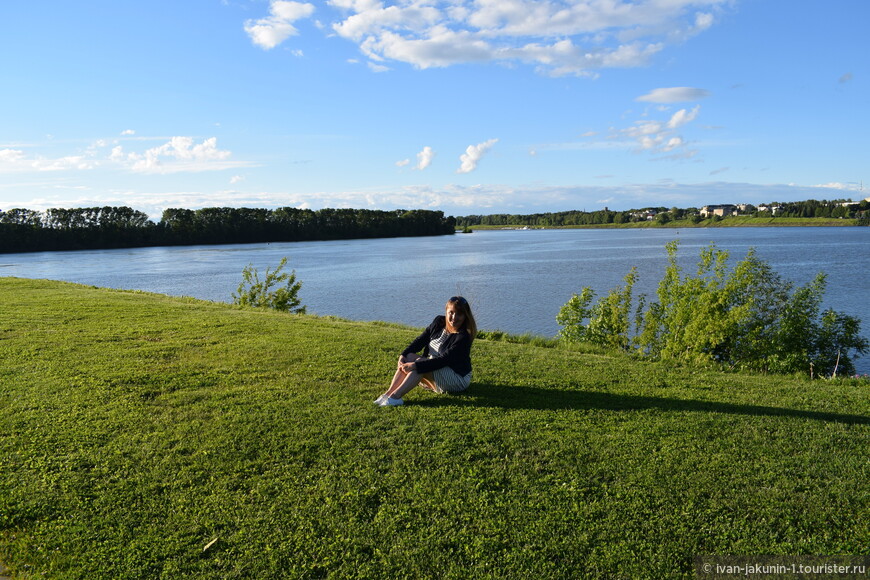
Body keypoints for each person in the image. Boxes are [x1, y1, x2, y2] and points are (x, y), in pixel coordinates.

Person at [375, 296, 477, 407]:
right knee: (409, 357)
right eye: (451, 313)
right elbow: (420, 340)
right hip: (434, 366)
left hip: (456, 377)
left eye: (459, 314)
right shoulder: (439, 322)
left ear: (465, 316)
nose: (454, 317)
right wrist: (402, 355)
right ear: (446, 311)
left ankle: (395, 398)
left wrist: (415, 365)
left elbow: (444, 360)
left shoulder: (463, 337)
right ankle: (387, 394)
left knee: (419, 366)